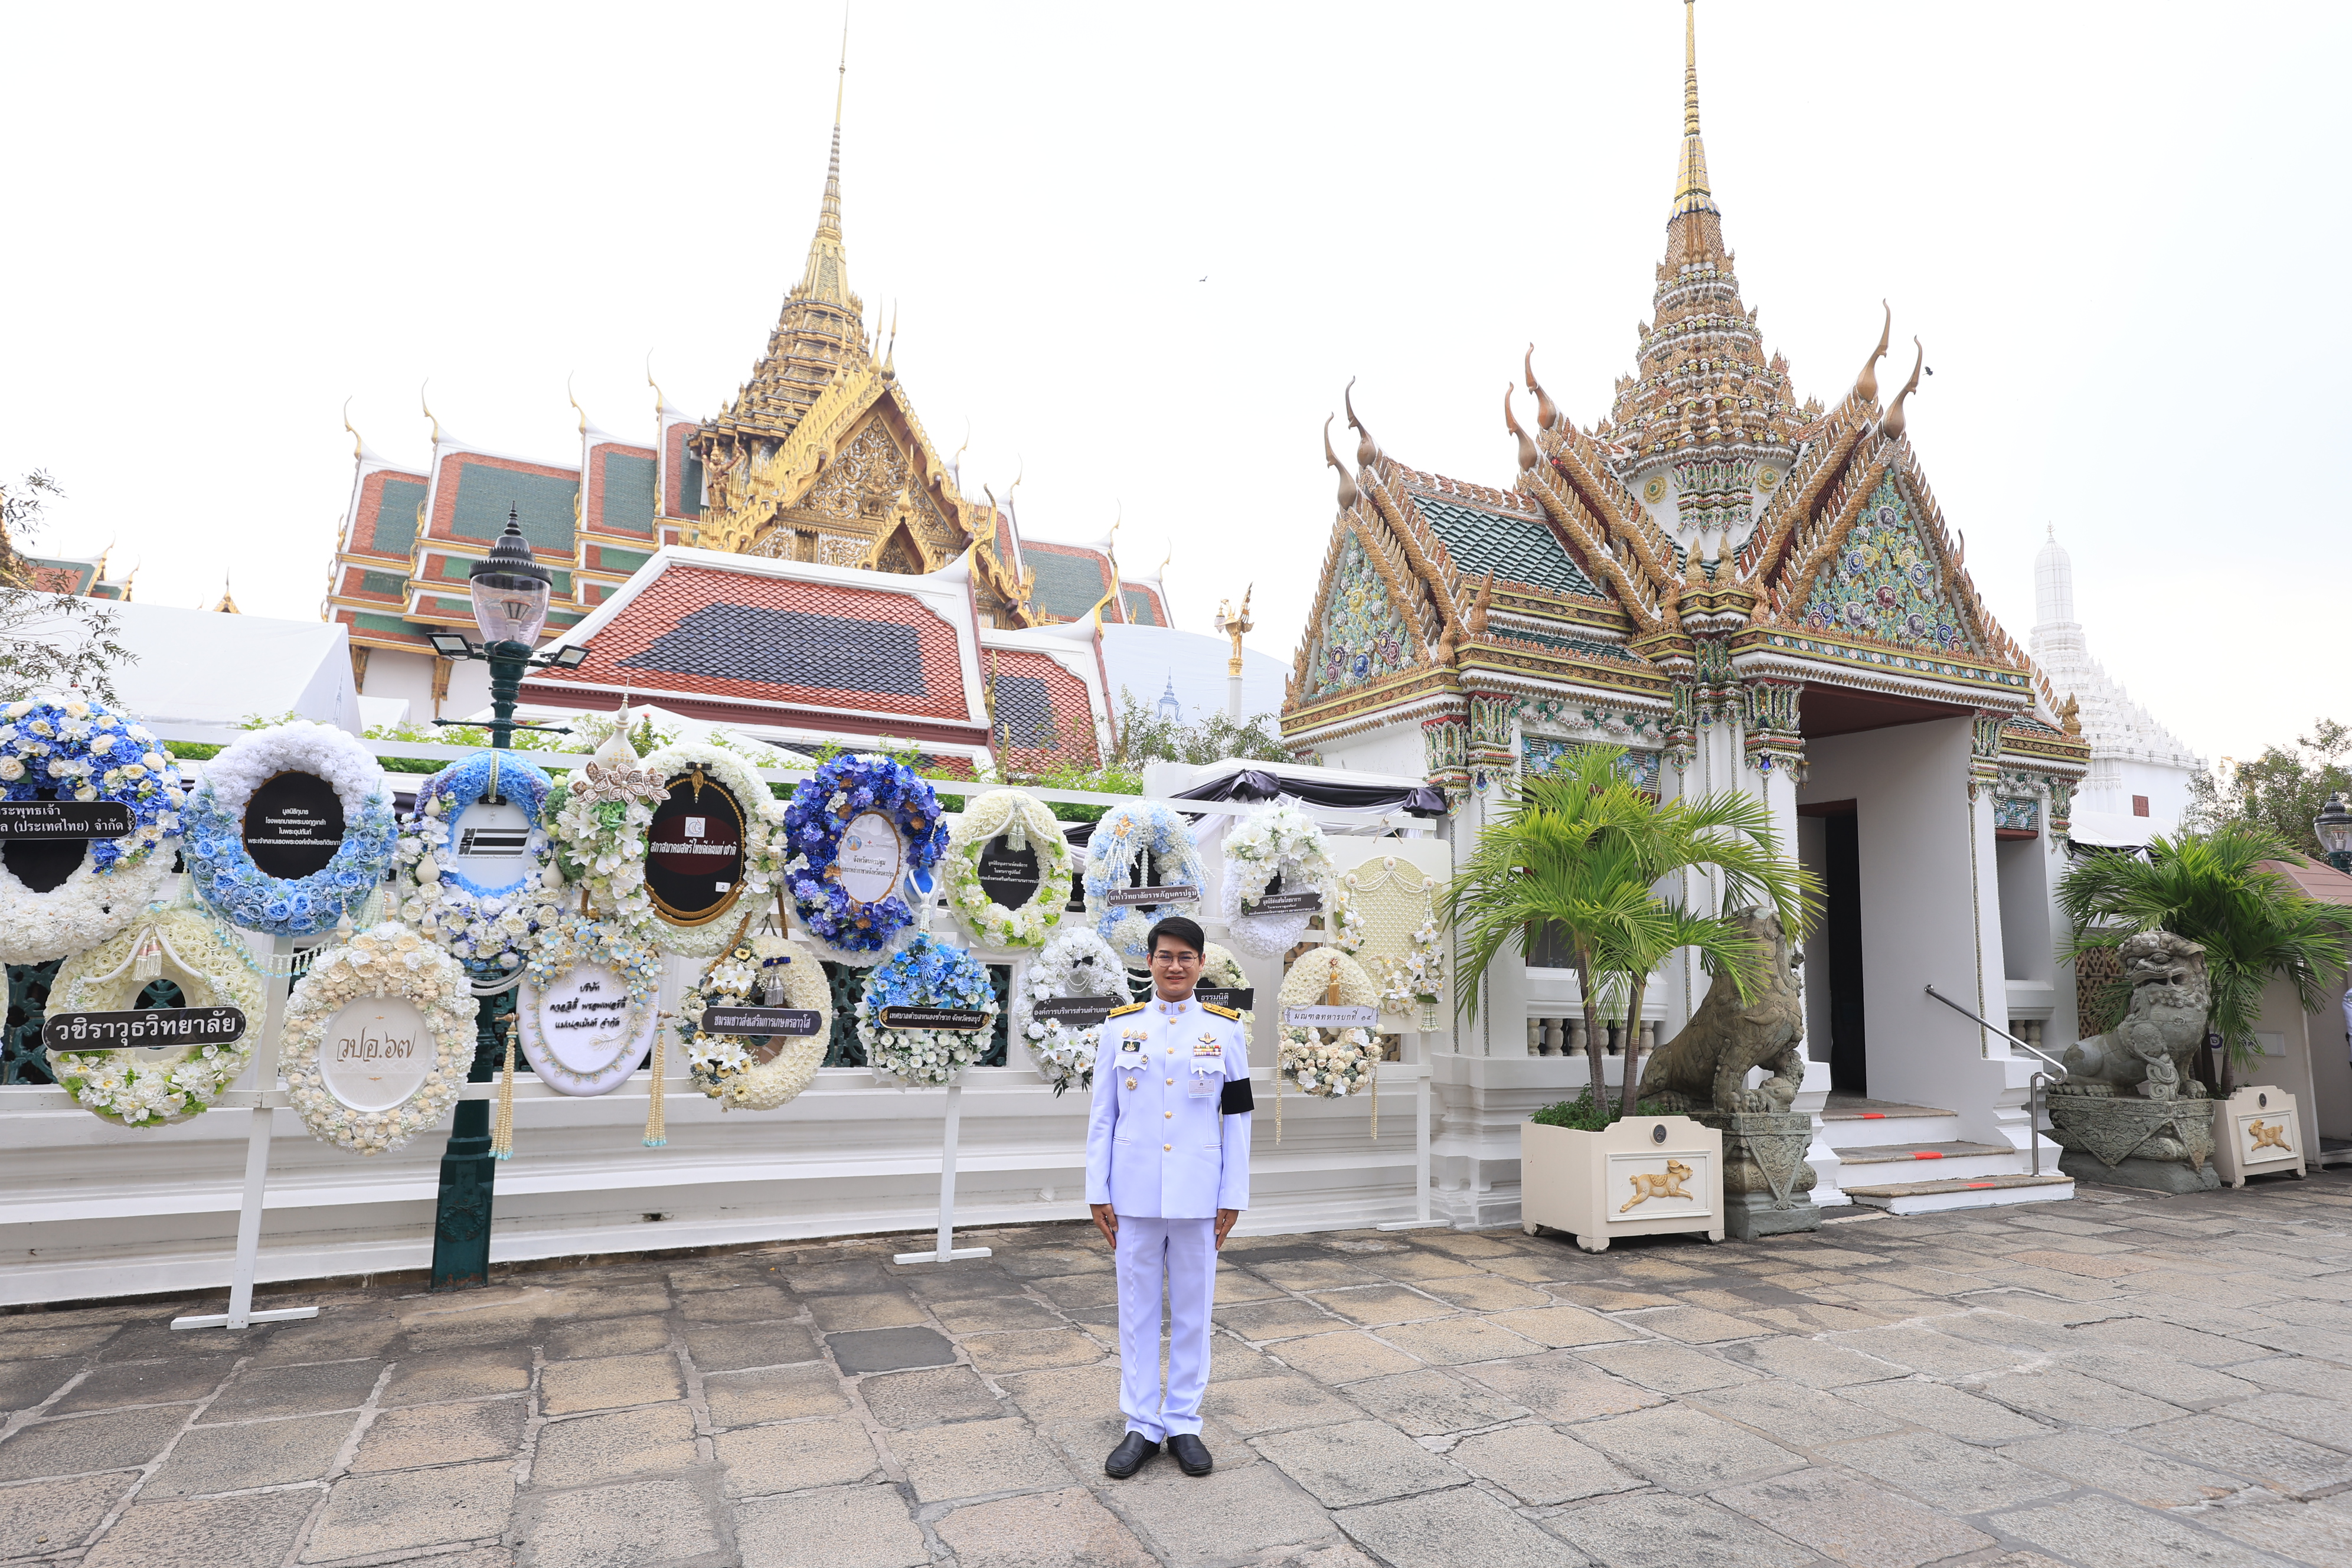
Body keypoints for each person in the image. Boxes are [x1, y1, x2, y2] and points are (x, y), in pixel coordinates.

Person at [1084, 914, 1252, 1479]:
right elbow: (1102, 1116)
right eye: (1164, 956)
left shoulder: (1227, 1030)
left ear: (1201, 965)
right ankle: (1140, 1424)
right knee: (1135, 1312)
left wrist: (1233, 1194)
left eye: (1186, 957)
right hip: (1131, 1192)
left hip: (1199, 1194)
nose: (1174, 966)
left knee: (1193, 1311)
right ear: (1149, 962)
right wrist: (1095, 1190)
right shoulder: (1119, 1027)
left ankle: (1182, 1421)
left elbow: (1239, 1119)